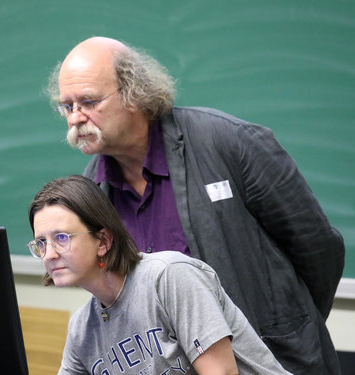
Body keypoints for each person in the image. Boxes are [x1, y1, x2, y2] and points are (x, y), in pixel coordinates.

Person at [45, 36, 345, 374]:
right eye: (66, 106)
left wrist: (294, 326)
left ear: (133, 93)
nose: (75, 119)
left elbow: (319, 249)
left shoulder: (229, 142)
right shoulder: (93, 191)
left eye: (87, 102)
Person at [28, 175, 293, 375]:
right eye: (41, 243)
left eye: (61, 238)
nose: (49, 254)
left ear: (103, 241)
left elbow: (222, 372)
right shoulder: (81, 329)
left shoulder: (170, 277)